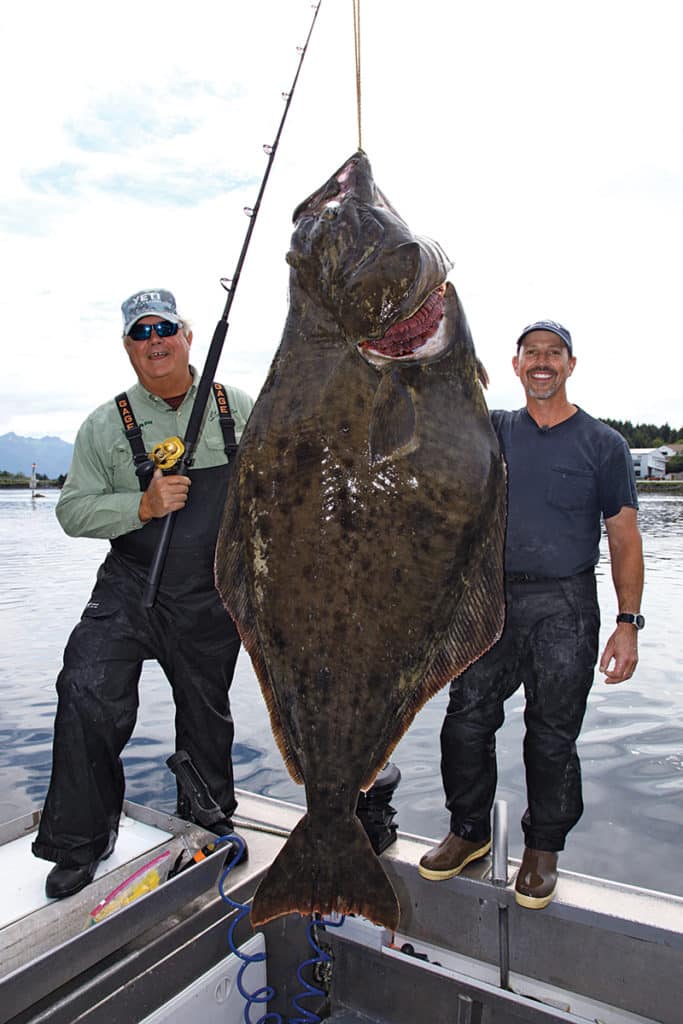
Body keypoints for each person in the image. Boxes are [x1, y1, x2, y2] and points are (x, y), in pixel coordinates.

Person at [32, 288, 254, 900]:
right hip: (129, 586)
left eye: (164, 329)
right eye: (140, 333)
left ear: (188, 336)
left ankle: (206, 820)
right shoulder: (106, 424)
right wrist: (141, 504)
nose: (154, 341)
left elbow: (280, 487)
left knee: (206, 713)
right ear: (128, 347)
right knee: (84, 687)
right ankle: (81, 841)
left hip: (211, 592)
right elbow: (72, 510)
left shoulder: (237, 406)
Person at [419, 320, 644, 909]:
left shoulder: (605, 445)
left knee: (551, 733)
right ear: (515, 366)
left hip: (565, 604)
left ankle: (543, 847)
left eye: (554, 353)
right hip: (488, 599)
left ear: (571, 365)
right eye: (531, 354)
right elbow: (434, 451)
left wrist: (629, 622)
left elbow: (624, 538)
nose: (542, 362)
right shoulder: (490, 429)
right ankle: (468, 831)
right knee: (465, 720)